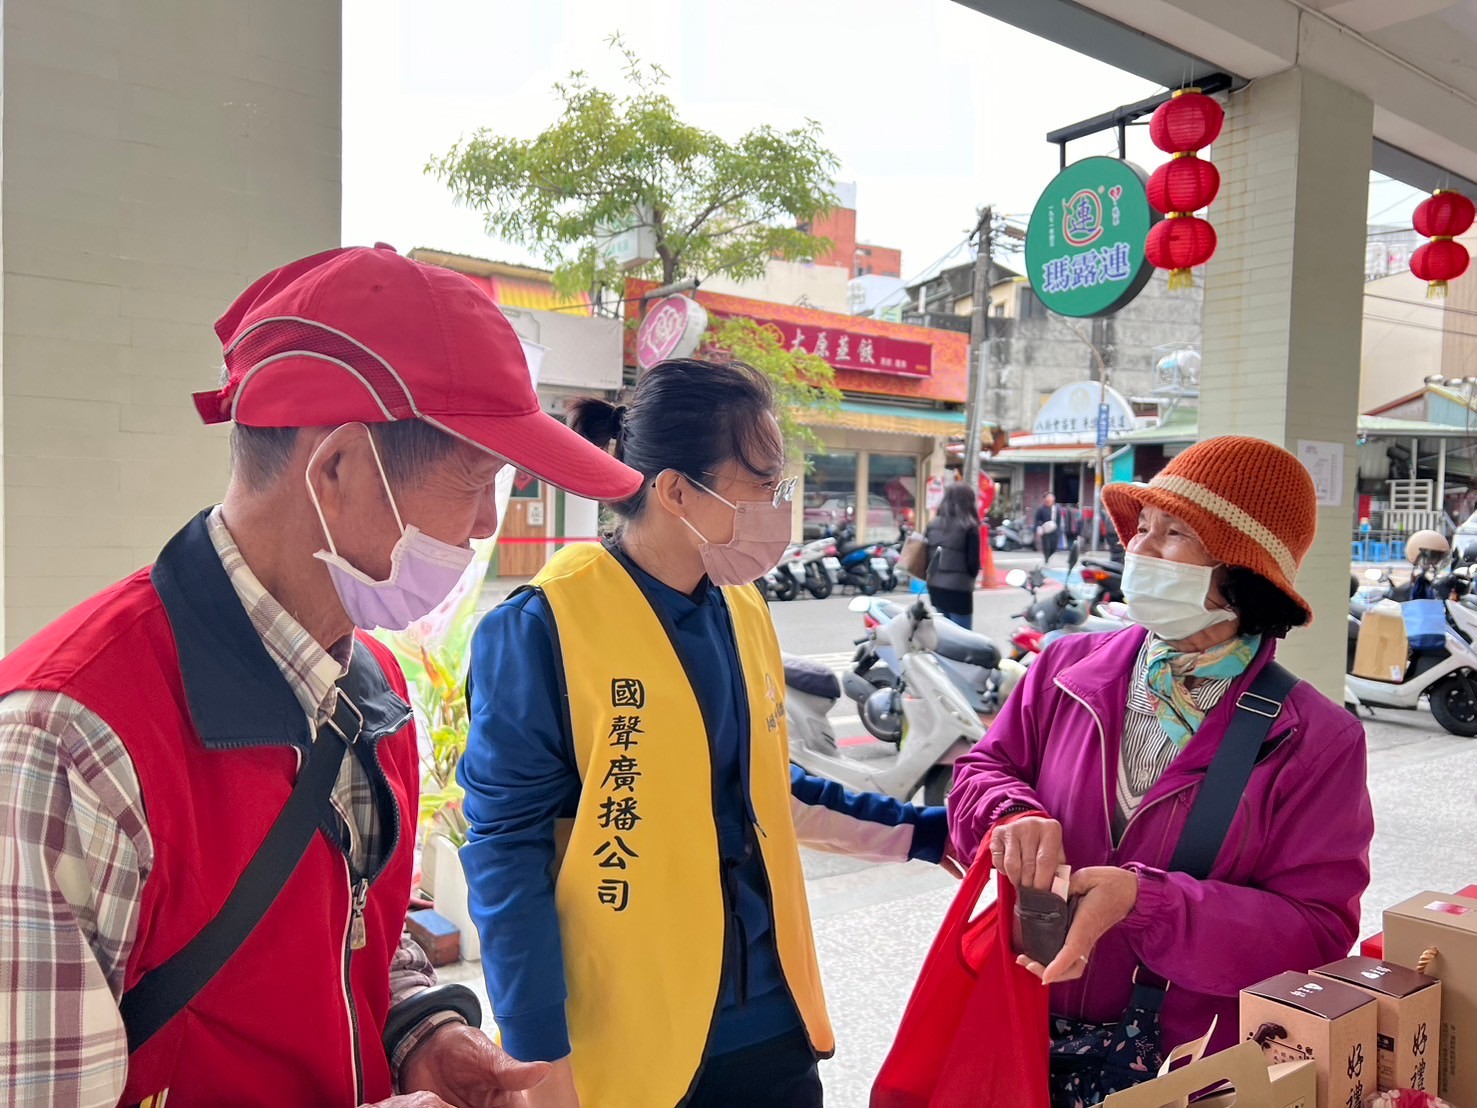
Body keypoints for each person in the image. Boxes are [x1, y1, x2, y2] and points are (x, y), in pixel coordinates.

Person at [0, 245, 644, 1108]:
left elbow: (359, 924)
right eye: (477, 481)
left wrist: (423, 1030)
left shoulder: (368, 680)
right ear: (338, 469)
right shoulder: (66, 745)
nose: (490, 523)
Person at [458, 358, 950, 1108]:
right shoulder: (541, 628)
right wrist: (534, 1051)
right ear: (676, 490)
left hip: (770, 1026)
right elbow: (506, 852)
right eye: (761, 485)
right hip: (630, 1044)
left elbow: (768, 792)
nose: (778, 507)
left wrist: (929, 835)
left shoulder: (740, 607)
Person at [946, 437, 1374, 1104]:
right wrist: (1010, 815)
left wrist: (1148, 905)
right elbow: (982, 769)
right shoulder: (1065, 669)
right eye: (1141, 527)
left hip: (1186, 1067)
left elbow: (1315, 931)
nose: (1138, 550)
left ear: (1243, 570)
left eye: (1173, 534)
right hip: (1017, 1025)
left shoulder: (1316, 739)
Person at [925, 480, 982, 629]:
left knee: (945, 633)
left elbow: (927, 553)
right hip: (959, 588)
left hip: (935, 586)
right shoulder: (969, 526)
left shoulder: (933, 523)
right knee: (962, 637)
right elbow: (973, 564)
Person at [1035, 492, 1061, 564]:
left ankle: (1048, 556)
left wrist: (1058, 530)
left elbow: (1058, 521)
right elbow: (1037, 520)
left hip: (1054, 530)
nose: (1050, 499)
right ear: (1045, 499)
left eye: (1051, 497)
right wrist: (1038, 528)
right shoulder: (1041, 509)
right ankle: (1046, 560)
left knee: (1054, 547)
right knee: (1046, 546)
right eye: (1048, 497)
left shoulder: (1056, 509)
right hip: (1045, 530)